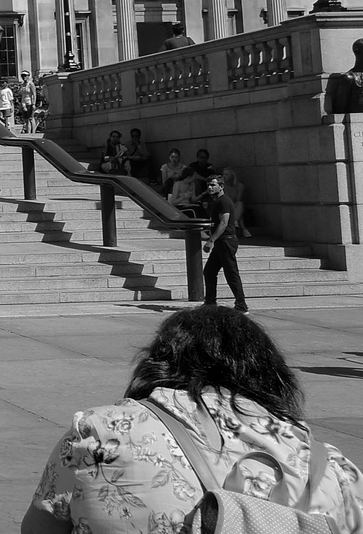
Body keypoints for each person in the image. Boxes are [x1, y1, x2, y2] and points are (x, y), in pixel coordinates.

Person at [22, 305, 363, 533]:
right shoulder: (332, 469)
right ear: (268, 371)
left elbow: (38, 530)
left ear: (160, 362)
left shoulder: (103, 433)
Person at [202, 174, 248, 312]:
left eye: (213, 185)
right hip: (221, 242)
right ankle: (210, 302)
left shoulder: (224, 201)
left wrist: (211, 241)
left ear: (221, 186)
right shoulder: (217, 201)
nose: (210, 188)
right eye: (208, 185)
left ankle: (241, 305)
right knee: (209, 271)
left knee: (231, 273)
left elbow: (223, 223)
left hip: (226, 241)